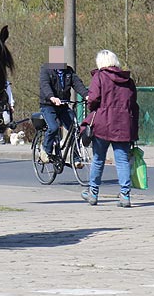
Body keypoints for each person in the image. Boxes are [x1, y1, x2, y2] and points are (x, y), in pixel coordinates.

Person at [81, 50, 139, 208]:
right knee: (122, 161)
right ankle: (125, 195)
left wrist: (93, 107)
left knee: (98, 159)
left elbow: (93, 100)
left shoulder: (99, 77)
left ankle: (93, 193)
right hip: (123, 125)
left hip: (102, 124)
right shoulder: (128, 80)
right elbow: (133, 104)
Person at [39, 47, 88, 164]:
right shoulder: (46, 70)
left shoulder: (68, 71)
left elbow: (78, 84)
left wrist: (87, 95)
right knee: (53, 127)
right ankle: (45, 150)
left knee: (75, 129)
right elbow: (45, 85)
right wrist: (52, 97)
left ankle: (76, 158)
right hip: (48, 105)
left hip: (63, 106)